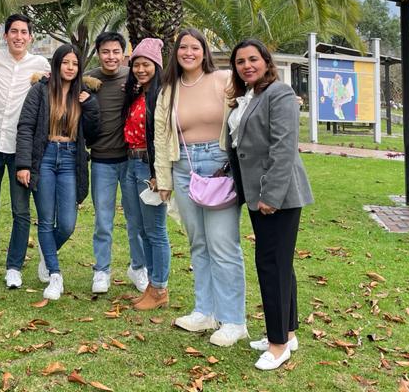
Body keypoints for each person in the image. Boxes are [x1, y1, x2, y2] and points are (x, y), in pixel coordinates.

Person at [153, 28, 248, 347]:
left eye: (195, 47)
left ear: (204, 51)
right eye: (183, 47)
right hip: (184, 168)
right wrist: (163, 177)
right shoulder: (169, 89)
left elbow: (249, 108)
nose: (188, 52)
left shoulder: (223, 79)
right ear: (175, 52)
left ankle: (234, 320)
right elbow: (161, 135)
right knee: (199, 244)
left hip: (219, 166)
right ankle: (205, 311)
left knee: (223, 244)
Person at [226, 38, 313, 371]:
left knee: (271, 265)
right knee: (280, 263)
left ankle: (278, 345)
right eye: (240, 61)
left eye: (253, 59)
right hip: (257, 194)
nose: (247, 65)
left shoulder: (280, 93)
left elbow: (283, 149)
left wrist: (270, 197)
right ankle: (287, 333)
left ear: (266, 61)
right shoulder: (250, 96)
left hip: (278, 196)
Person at [16, 44, 99, 300]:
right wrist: (23, 164)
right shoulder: (39, 90)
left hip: (71, 158)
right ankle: (54, 274)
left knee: (66, 223)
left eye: (75, 64)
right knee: (45, 218)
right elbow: (26, 127)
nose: (70, 68)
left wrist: (92, 106)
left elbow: (93, 134)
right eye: (66, 63)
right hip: (46, 156)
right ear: (57, 64)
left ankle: (47, 252)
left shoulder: (83, 94)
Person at [0, 13, 51, 290]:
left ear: (30, 37)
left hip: (22, 150)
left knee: (21, 210)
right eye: (14, 31)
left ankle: (14, 267)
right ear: (5, 35)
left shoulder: (41, 65)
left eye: (24, 32)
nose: (18, 37)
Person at [84, 31, 148, 295]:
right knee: (103, 219)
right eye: (105, 52)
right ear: (98, 53)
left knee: (136, 219)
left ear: (124, 54)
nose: (111, 57)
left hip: (131, 161)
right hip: (101, 161)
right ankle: (102, 270)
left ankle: (138, 266)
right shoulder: (88, 79)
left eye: (115, 52)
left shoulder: (133, 78)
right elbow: (58, 80)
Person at [119, 37, 171, 310]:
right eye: (136, 64)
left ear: (157, 66)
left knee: (155, 230)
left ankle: (160, 287)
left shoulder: (162, 95)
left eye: (146, 64)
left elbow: (161, 137)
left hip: (149, 168)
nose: (140, 69)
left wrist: (157, 173)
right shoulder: (137, 93)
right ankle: (152, 285)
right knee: (139, 227)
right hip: (131, 164)